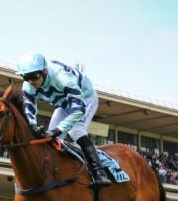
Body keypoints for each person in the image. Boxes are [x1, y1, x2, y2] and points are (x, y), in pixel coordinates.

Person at [16, 52, 110, 187]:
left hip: (85, 99)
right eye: (26, 77)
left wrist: (59, 129)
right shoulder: (28, 86)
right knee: (52, 139)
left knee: (76, 130)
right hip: (64, 104)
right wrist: (32, 125)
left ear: (44, 71)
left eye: (34, 76)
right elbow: (29, 109)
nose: (31, 81)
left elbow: (78, 109)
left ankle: (100, 173)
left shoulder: (62, 77)